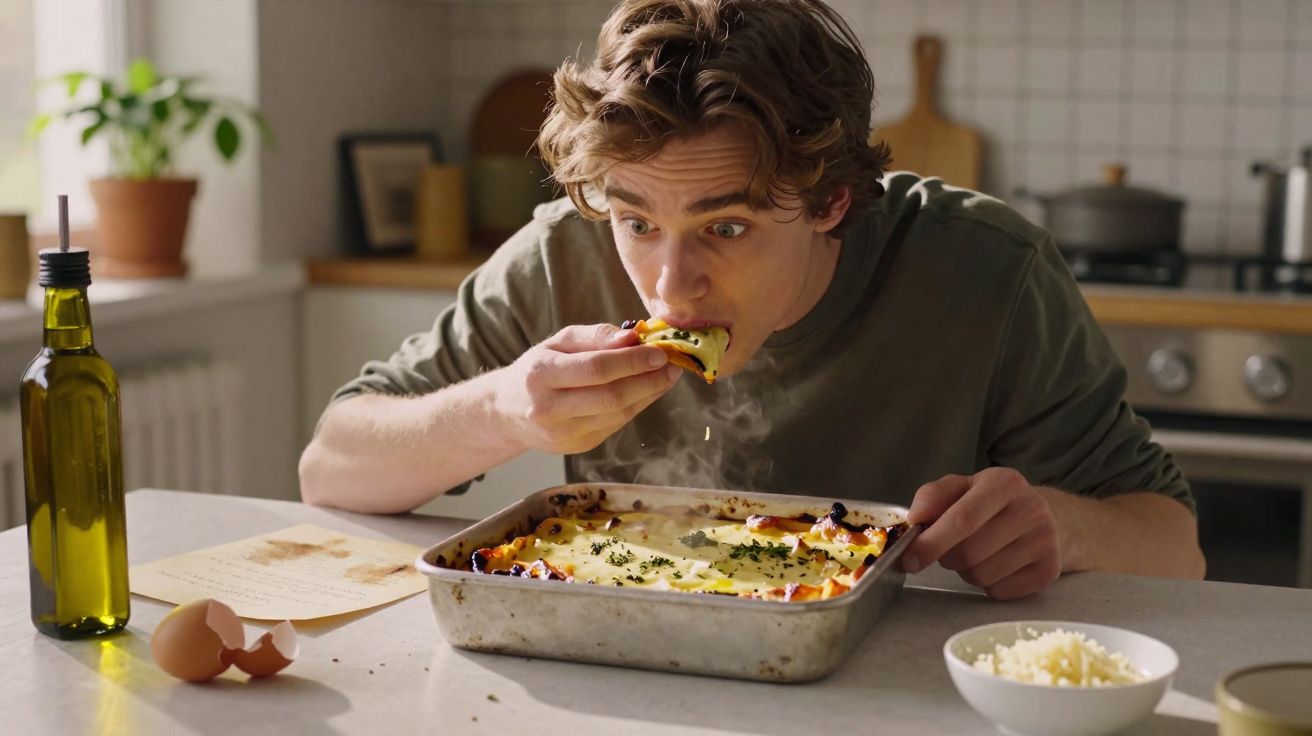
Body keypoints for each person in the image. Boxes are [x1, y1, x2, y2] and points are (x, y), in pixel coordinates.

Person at [300, 0, 1205, 599]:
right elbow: (330, 466)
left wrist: (1062, 528)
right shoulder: (562, 250)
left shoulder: (988, 271)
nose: (670, 283)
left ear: (831, 202)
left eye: (726, 227)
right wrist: (503, 410)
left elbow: (1177, 547)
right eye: (638, 221)